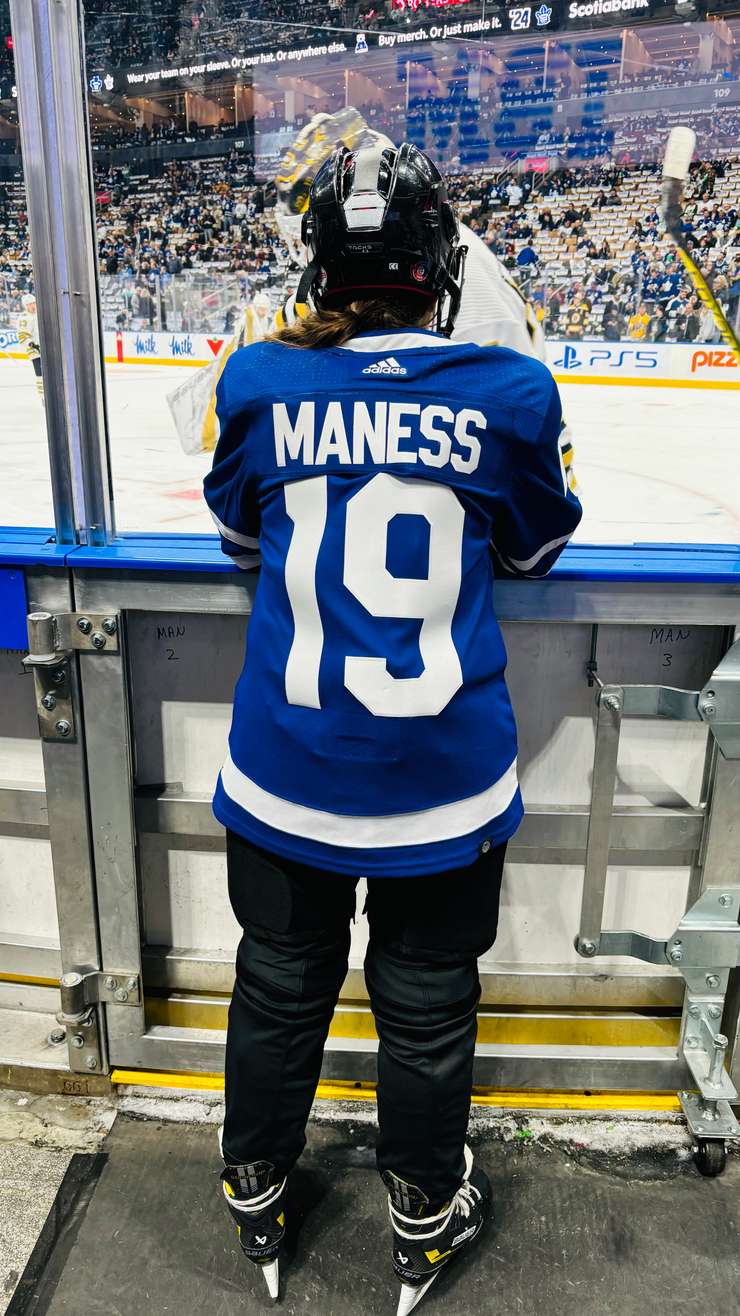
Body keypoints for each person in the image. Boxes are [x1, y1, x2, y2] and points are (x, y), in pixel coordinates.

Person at [204, 140, 582, 1314]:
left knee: (277, 981)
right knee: (423, 1002)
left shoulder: (258, 379)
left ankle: (257, 1184)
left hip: (286, 766)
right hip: (442, 779)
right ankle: (421, 1208)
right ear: (437, 269)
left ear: (318, 265)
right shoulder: (508, 392)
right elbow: (532, 543)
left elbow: (239, 535)